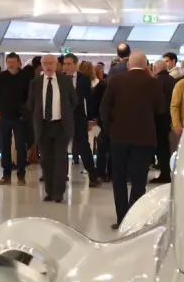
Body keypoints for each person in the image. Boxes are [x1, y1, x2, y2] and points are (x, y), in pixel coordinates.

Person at [100, 52, 161, 229]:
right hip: (144, 138)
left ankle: (121, 218)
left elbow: (104, 107)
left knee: (119, 178)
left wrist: (109, 128)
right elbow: (160, 108)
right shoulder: (153, 82)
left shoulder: (116, 80)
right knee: (139, 180)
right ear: (146, 66)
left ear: (128, 65)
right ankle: (133, 220)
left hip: (119, 137)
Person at [28, 54, 75, 202]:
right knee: (46, 161)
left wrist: (65, 113)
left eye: (51, 63)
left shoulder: (65, 81)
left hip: (61, 125)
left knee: (60, 159)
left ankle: (59, 193)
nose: (48, 66)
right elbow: (31, 104)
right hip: (43, 126)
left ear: (56, 65)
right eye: (46, 63)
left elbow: (74, 101)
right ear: (41, 65)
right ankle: (49, 191)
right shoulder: (35, 82)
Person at [0, 52, 29, 186]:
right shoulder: (0, 77)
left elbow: (30, 96)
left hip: (20, 117)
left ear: (18, 63)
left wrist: (26, 111)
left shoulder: (25, 77)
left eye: (13, 62)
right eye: (9, 62)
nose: (11, 65)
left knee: (21, 146)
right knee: (5, 146)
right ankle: (6, 174)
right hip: (4, 115)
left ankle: (21, 174)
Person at [63, 54, 100, 187]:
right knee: (61, 147)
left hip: (78, 117)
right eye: (64, 64)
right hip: (62, 117)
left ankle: (93, 176)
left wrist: (90, 118)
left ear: (75, 64)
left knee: (83, 146)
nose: (66, 67)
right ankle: (62, 175)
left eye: (69, 64)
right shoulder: (60, 78)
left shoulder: (83, 79)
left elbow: (89, 99)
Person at [153, 57, 178, 184]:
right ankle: (167, 172)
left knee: (161, 148)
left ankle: (164, 173)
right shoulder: (173, 81)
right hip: (170, 119)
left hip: (158, 120)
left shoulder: (156, 82)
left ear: (155, 69)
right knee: (168, 147)